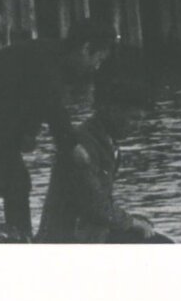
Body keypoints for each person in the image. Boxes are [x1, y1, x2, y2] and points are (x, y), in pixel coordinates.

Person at [0, 18, 113, 241]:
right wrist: (72, 146)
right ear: (85, 49)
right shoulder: (47, 61)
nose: (97, 67)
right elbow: (53, 108)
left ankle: (21, 238)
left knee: (17, 183)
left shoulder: (54, 59)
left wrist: (27, 134)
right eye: (99, 59)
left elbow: (33, 100)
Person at [36, 67, 170, 244]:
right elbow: (92, 204)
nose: (137, 126)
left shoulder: (104, 142)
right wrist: (130, 222)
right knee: (161, 245)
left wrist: (131, 221)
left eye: (140, 120)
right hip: (71, 237)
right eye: (134, 119)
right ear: (113, 111)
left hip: (88, 231)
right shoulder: (84, 145)